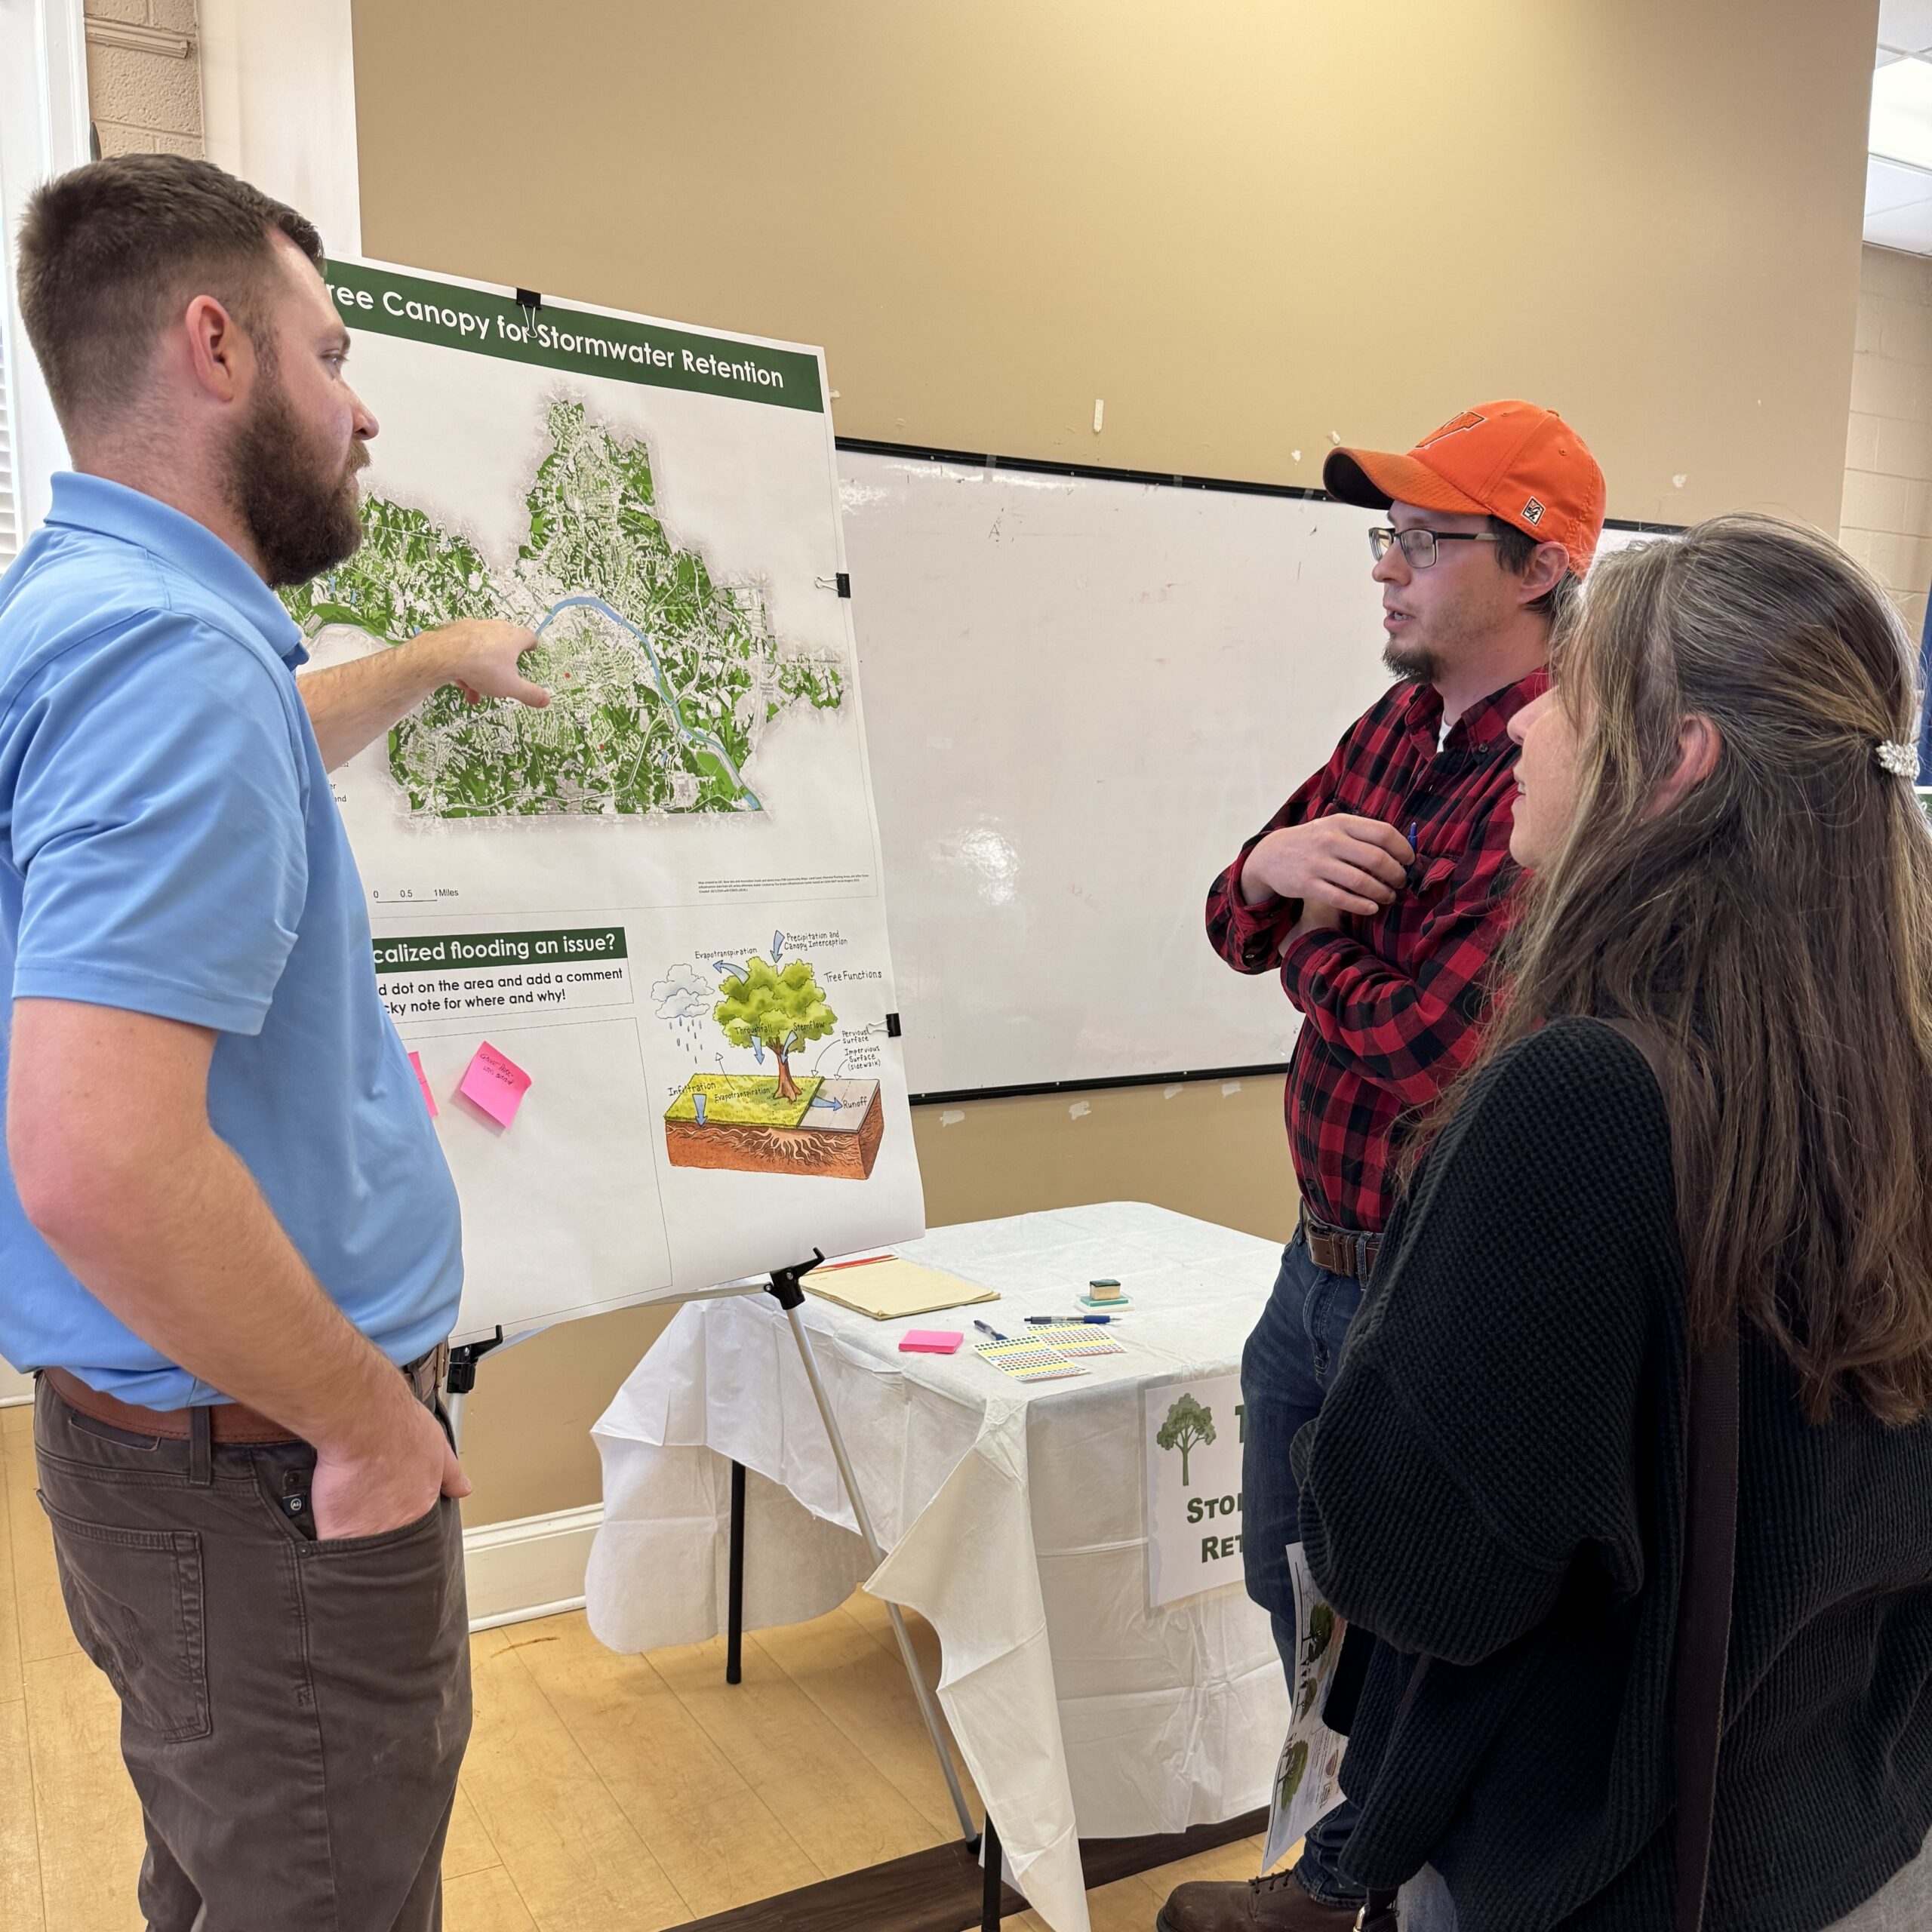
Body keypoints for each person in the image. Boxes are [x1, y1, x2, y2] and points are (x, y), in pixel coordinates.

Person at [0, 154, 549, 1927]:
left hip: (165, 1449)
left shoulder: (84, 614)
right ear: (214, 346)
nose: (362, 403)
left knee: (233, 1872)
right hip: (271, 1474)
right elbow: (97, 1152)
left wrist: (416, 662)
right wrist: (364, 1428)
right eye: (331, 355)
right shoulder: (172, 661)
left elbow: (232, 752)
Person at [1292, 515, 1932, 1928]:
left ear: (1677, 761)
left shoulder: (1587, 1093)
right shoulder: (1891, 1069)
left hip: (1608, 1859)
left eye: (1568, 695)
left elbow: (1418, 1571)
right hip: (1855, 1820)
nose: (1528, 731)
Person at [1166, 404, 1604, 1931]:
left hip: (1418, 1289)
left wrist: (1306, 949)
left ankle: (1372, 1886)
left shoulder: (1548, 762)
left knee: (1399, 1635)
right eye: (1388, 536)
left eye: (1425, 539)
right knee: (1292, 1601)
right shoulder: (1392, 731)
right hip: (1313, 1262)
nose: (1387, 570)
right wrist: (1273, 880)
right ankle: (1328, 1875)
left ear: (1537, 562)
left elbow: (1430, 1047)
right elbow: (1232, 917)